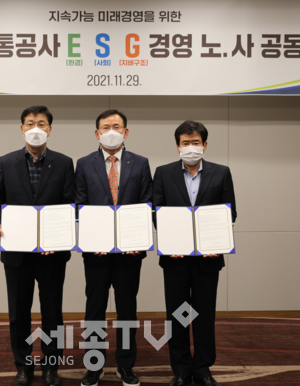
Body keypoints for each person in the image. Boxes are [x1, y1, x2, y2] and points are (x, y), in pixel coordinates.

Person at [0, 106, 75, 386]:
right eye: (30, 123)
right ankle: (23, 366)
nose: (36, 128)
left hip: (52, 254)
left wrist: (59, 238)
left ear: (50, 129)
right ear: (22, 128)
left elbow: (71, 205)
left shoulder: (64, 163)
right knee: (19, 313)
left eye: (42, 123)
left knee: (52, 314)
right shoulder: (7, 162)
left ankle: (51, 366)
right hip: (17, 254)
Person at [152, 120, 237, 386]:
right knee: (177, 315)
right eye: (185, 143)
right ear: (178, 146)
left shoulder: (221, 173)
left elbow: (229, 213)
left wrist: (216, 245)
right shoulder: (163, 173)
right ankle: (180, 369)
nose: (191, 147)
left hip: (207, 261)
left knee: (203, 315)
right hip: (174, 260)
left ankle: (202, 368)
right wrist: (171, 242)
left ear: (205, 145)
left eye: (196, 142)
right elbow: (157, 213)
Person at [75, 109, 153, 386]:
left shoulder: (140, 163)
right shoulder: (84, 164)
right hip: (96, 253)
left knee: (127, 309)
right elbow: (80, 205)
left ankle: (126, 365)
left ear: (126, 132)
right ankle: (94, 366)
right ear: (97, 133)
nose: (111, 131)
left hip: (129, 254)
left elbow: (147, 204)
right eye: (106, 127)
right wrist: (92, 239)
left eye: (117, 126)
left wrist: (138, 241)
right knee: (94, 309)